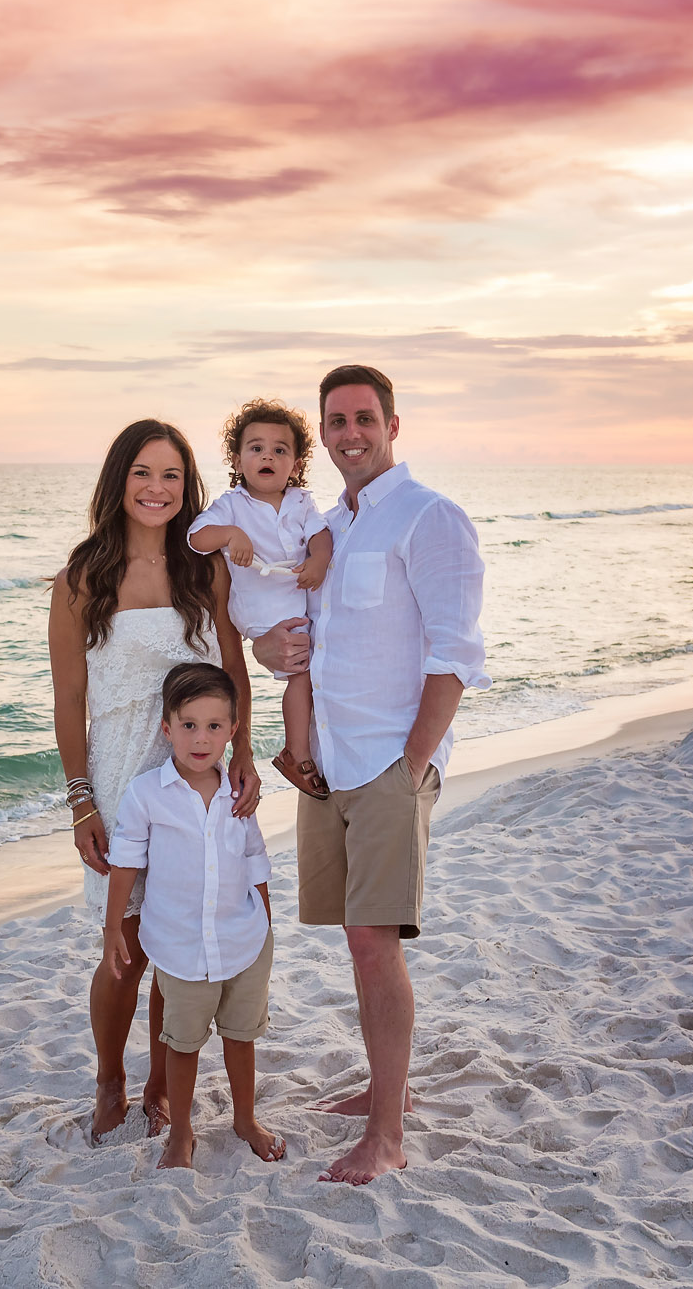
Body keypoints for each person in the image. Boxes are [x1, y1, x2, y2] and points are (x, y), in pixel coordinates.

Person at [251, 363, 489, 1185]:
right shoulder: (333, 528)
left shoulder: (431, 517)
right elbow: (292, 631)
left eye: (364, 418)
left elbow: (456, 655)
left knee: (372, 942)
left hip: (388, 762)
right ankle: (393, 1089)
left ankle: (387, 1132)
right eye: (337, 421)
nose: (350, 433)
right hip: (328, 765)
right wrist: (264, 651)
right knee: (359, 943)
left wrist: (409, 764)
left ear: (393, 424)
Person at [49, 419, 260, 1143]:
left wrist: (245, 753)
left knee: (179, 943)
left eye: (171, 475)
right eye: (143, 472)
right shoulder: (82, 578)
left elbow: (233, 671)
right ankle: (109, 1078)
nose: (157, 488)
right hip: (118, 775)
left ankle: (159, 1084)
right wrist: (81, 801)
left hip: (195, 772)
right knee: (126, 949)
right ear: (119, 480)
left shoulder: (206, 568)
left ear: (187, 486)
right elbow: (69, 699)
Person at [101, 662, 287, 1170]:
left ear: (232, 731)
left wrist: (265, 921)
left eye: (213, 727)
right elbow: (125, 862)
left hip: (243, 937)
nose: (200, 739)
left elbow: (255, 857)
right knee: (181, 1045)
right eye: (188, 725)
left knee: (241, 1035)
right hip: (180, 946)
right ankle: (180, 1132)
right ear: (167, 729)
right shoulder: (146, 795)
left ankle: (245, 1119)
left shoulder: (237, 792)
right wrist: (113, 926)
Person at [186, 399, 335, 799]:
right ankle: (296, 752)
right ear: (237, 458)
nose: (267, 455)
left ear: (296, 463)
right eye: (256, 448)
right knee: (303, 674)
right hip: (255, 606)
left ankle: (304, 748)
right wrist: (231, 535)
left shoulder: (301, 502)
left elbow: (321, 535)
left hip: (292, 602)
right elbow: (196, 537)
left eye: (279, 449)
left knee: (310, 673)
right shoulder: (232, 505)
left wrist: (319, 560)